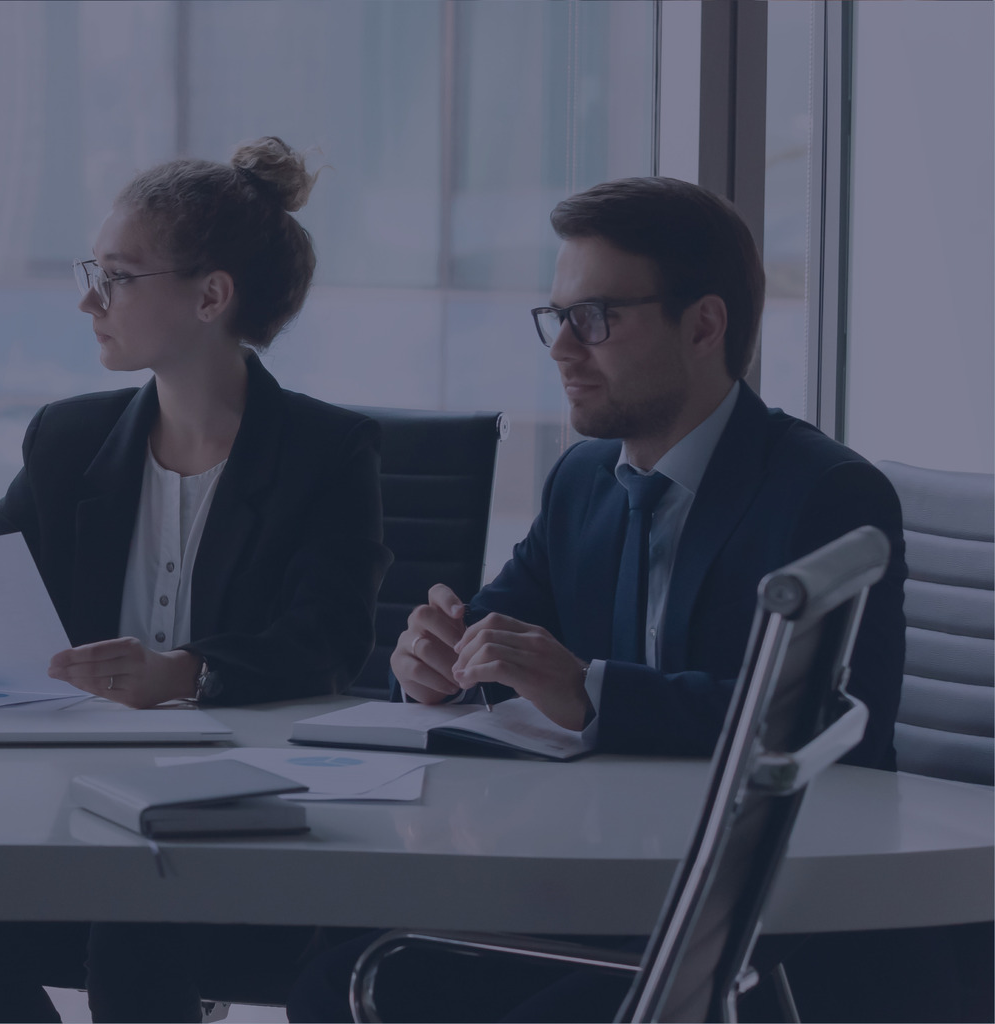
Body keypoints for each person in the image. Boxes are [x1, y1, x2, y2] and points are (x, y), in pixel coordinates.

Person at [285, 176, 926, 1022]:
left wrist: (591, 690)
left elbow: (833, 721)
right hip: (599, 877)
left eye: (596, 319)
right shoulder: (584, 478)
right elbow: (504, 624)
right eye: (557, 319)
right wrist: (441, 657)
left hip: (749, 914)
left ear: (703, 325)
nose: (560, 349)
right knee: (343, 980)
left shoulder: (827, 494)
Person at [0, 139, 393, 1022]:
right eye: (93, 270)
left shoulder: (327, 455)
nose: (89, 299)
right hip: (72, 807)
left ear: (211, 296)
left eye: (120, 277)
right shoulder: (69, 440)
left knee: (137, 924)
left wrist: (185, 673)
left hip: (241, 826)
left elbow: (326, 648)